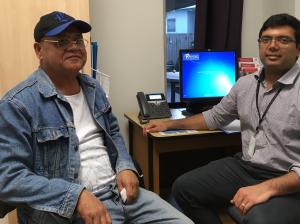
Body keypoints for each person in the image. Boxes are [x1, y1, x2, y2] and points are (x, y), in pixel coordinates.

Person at [0, 11, 194, 224]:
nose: (73, 46)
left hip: (119, 195)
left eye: (77, 40)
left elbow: (112, 132)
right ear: (39, 50)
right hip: (67, 210)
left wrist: (125, 166)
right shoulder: (17, 104)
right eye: (62, 41)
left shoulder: (93, 88)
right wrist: (76, 196)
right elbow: (8, 177)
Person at [144, 13, 300, 224]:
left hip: (288, 176)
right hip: (247, 167)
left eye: (283, 40)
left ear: (298, 48)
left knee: (259, 220)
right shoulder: (245, 85)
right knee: (183, 188)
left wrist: (267, 187)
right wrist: (170, 124)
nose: (272, 46)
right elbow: (214, 117)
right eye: (266, 39)